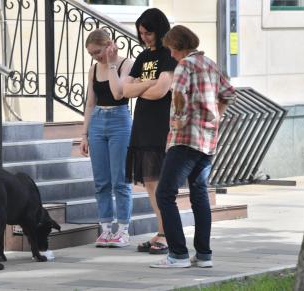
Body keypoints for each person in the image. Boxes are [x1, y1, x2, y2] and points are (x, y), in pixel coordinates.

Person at [150, 25, 236, 268]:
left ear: (177, 46)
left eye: (171, 49)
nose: (171, 54)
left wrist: (179, 119)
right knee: (199, 195)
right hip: (207, 140)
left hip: (185, 139)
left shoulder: (184, 65)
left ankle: (177, 255)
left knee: (164, 194)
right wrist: (217, 115)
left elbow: (179, 95)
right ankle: (204, 255)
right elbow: (229, 92)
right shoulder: (210, 63)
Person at [123, 8, 177, 255]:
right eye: (141, 33)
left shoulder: (169, 55)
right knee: (149, 183)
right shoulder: (143, 56)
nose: (144, 37)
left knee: (161, 184)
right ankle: (162, 231)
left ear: (160, 29)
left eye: (148, 32)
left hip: (160, 126)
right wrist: (149, 84)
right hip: (142, 125)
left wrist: (141, 87)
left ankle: (167, 234)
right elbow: (125, 90)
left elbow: (162, 90)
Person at [80, 29, 134, 247]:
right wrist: (84, 134)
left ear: (110, 45)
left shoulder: (125, 64)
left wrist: (111, 63)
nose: (96, 57)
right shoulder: (93, 69)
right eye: (92, 54)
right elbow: (90, 103)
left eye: (99, 52)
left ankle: (122, 230)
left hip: (120, 120)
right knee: (101, 180)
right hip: (98, 122)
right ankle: (105, 229)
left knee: (120, 179)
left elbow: (118, 93)